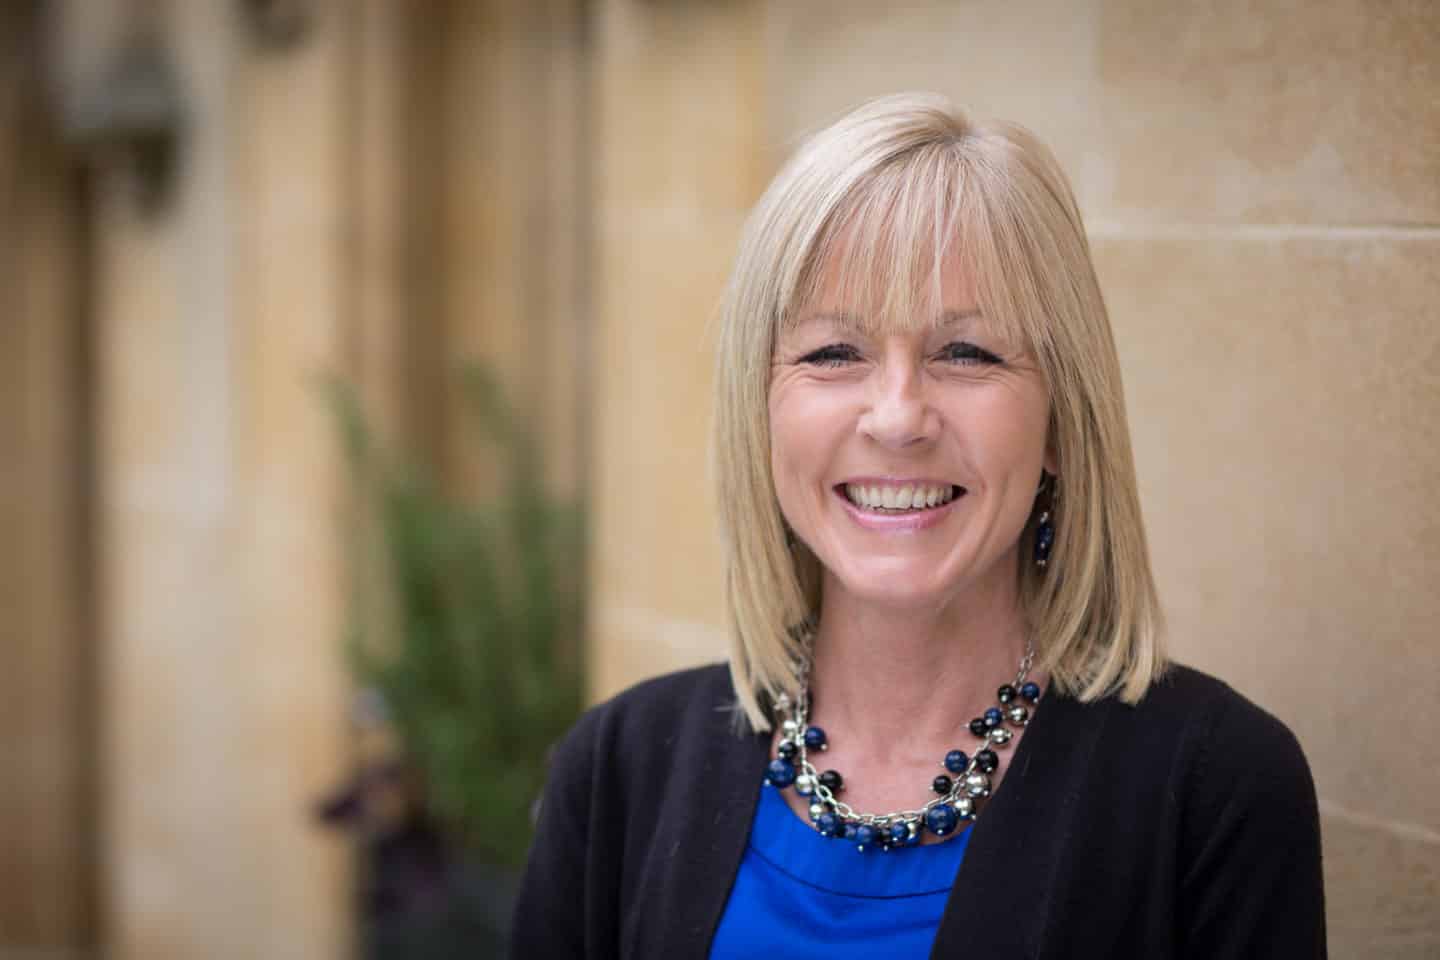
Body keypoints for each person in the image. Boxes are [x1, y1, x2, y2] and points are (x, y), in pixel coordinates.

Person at [509, 93, 1325, 958]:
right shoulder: (619, 769)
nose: (898, 418)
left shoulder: (1215, 787)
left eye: (965, 353)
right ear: (762, 413)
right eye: (833, 353)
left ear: (1061, 420)